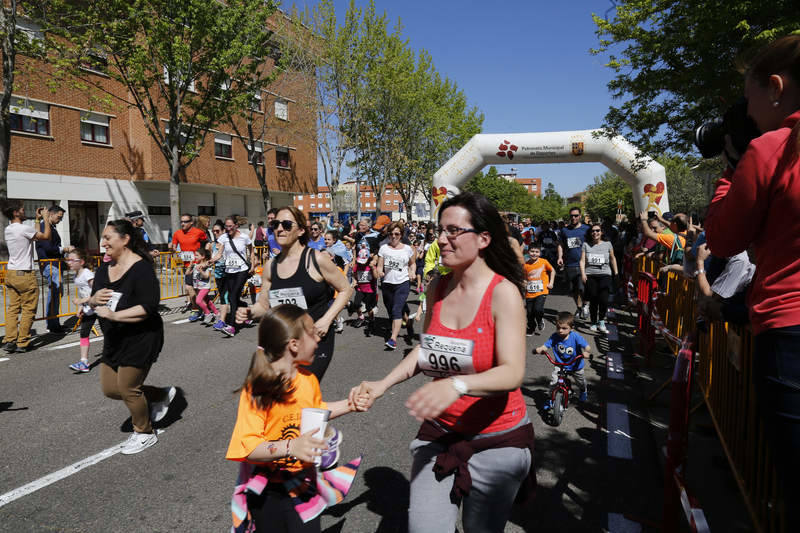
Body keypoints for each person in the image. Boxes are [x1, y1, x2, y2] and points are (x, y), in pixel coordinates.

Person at [350, 191, 535, 533]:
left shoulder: (503, 292)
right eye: (439, 230)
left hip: (498, 437)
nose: (441, 239)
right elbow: (426, 350)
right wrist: (382, 384)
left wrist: (457, 384)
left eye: (452, 231)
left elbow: (512, 372)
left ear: (483, 239)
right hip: (442, 432)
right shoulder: (437, 287)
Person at [702, 36, 800, 520]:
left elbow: (723, 236)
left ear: (777, 88)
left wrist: (732, 168)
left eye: (750, 96)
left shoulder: (772, 148)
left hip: (788, 329)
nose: (748, 110)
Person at [225, 305, 363, 533]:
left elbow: (315, 410)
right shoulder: (258, 388)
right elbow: (248, 448)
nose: (319, 339)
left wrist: (351, 404)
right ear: (294, 345)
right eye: (312, 333)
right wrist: (291, 446)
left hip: (304, 483)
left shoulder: (308, 380)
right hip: (268, 492)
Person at [86, 219, 175, 455]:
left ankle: (144, 433)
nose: (103, 242)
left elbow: (148, 307)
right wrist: (92, 301)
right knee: (110, 389)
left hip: (142, 336)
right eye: (103, 238)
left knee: (128, 388)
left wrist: (114, 315)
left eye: (107, 238)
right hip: (115, 338)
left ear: (125, 240)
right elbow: (96, 297)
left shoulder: (142, 268)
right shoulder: (105, 268)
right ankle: (160, 394)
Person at [237, 206, 352, 382]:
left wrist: (327, 320)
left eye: (286, 224)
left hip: (314, 340)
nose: (279, 228)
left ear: (300, 230)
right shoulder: (271, 266)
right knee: (283, 396)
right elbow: (263, 305)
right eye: (275, 224)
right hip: (284, 342)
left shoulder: (316, 259)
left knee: (302, 392)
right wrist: (250, 312)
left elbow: (346, 289)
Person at [1, 201, 52, 353]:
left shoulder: (9, 229)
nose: (24, 212)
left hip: (11, 273)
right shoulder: (23, 229)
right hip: (24, 274)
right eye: (22, 210)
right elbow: (46, 236)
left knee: (13, 309)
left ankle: (9, 340)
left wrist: (37, 220)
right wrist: (46, 219)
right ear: (16, 213)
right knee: (29, 309)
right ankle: (22, 342)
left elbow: (35, 237)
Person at [534, 311, 591, 406]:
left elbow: (587, 346)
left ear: (572, 328)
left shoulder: (575, 337)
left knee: (580, 381)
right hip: (560, 365)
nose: (560, 330)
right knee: (554, 382)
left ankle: (583, 391)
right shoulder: (555, 336)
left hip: (575, 365)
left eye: (564, 328)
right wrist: (540, 349)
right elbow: (546, 345)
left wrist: (586, 352)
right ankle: (551, 398)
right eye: (558, 328)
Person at [376, 221, 417, 350]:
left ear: (401, 235)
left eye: (396, 234)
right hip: (387, 284)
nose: (393, 236)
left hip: (403, 283)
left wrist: (412, 272)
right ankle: (407, 320)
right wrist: (379, 272)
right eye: (391, 234)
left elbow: (412, 264)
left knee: (396, 310)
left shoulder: (407, 249)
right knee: (390, 309)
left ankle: (393, 339)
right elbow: (379, 266)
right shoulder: (384, 248)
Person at [216, 215, 255, 337]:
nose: (228, 228)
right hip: (229, 271)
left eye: (230, 226)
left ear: (236, 225)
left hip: (242, 270)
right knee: (235, 298)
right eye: (226, 226)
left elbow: (252, 251)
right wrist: (209, 262)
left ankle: (232, 327)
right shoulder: (223, 238)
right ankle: (245, 308)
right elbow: (219, 254)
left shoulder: (244, 237)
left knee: (232, 296)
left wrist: (253, 265)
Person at [36, 205, 72, 333]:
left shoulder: (50, 227)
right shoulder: (43, 227)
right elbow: (48, 247)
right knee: (55, 293)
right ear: (50, 214)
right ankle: (52, 324)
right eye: (59, 217)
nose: (60, 220)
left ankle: (54, 322)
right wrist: (65, 249)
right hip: (49, 264)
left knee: (57, 293)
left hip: (54, 264)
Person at [580, 224, 618, 334]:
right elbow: (582, 261)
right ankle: (593, 322)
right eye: (593, 231)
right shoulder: (586, 245)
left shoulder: (607, 244)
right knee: (594, 298)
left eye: (597, 230)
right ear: (590, 233)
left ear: (601, 232)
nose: (595, 233)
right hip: (590, 275)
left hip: (605, 274)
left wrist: (616, 273)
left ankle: (601, 321)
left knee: (604, 299)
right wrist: (583, 274)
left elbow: (612, 258)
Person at [67, 249, 97, 373]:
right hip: (89, 309)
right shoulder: (76, 276)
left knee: (110, 332)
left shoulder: (87, 274)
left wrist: (81, 301)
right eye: (68, 260)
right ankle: (84, 362)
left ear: (82, 262)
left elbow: (97, 291)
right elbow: (82, 292)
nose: (69, 262)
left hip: (100, 307)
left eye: (72, 260)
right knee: (84, 333)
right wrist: (81, 307)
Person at [170, 213, 208, 314]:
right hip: (186, 265)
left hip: (197, 264)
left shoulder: (199, 232)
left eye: (185, 221)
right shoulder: (177, 233)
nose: (182, 223)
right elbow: (174, 247)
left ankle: (205, 309)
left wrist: (205, 259)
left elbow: (207, 243)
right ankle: (195, 308)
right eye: (181, 221)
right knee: (188, 287)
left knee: (198, 289)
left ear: (191, 222)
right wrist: (171, 248)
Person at [557, 207, 591, 319]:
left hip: (583, 264)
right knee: (573, 290)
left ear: (580, 216)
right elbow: (561, 245)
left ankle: (586, 305)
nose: (574, 218)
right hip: (569, 263)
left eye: (576, 215)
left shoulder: (587, 229)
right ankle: (579, 307)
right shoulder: (565, 231)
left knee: (582, 287)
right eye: (572, 215)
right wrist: (560, 257)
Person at [524, 244, 555, 336]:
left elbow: (552, 270)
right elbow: (525, 278)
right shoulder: (525, 265)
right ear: (528, 252)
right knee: (529, 313)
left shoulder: (544, 262)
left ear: (540, 253)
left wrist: (551, 283)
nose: (534, 254)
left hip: (542, 291)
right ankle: (531, 328)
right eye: (532, 251)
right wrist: (524, 284)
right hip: (529, 292)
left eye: (537, 252)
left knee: (537, 309)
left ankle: (540, 320)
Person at [349, 246, 379, 336]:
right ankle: (361, 317)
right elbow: (354, 275)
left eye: (363, 261)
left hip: (370, 290)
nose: (362, 263)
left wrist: (373, 268)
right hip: (360, 289)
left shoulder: (370, 266)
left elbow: (376, 277)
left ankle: (371, 320)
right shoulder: (357, 266)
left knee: (369, 307)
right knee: (356, 304)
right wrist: (354, 282)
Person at [189, 247, 219, 326]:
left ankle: (208, 313)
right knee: (208, 302)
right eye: (195, 255)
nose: (195, 257)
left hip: (205, 287)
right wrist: (190, 266)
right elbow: (187, 273)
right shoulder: (196, 265)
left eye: (197, 255)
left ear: (203, 256)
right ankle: (217, 314)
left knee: (198, 301)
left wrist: (201, 271)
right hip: (198, 287)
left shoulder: (207, 265)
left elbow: (206, 276)